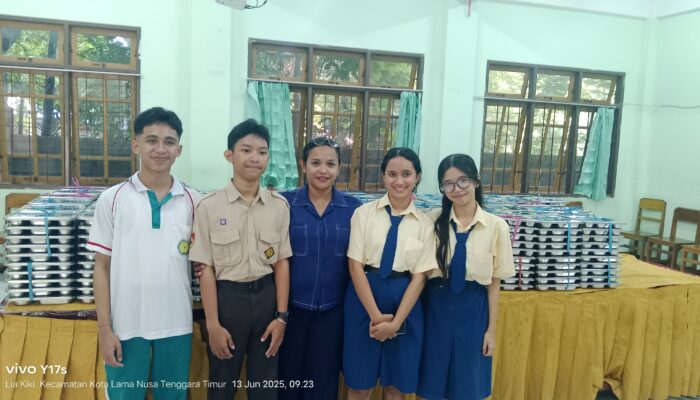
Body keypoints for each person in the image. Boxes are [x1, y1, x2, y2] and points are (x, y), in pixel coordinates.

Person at [88, 107, 201, 400]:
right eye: (152, 140)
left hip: (176, 325)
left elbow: (204, 265)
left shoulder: (194, 201)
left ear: (179, 150)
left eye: (169, 142)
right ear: (135, 145)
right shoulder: (112, 199)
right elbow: (101, 268)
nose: (161, 149)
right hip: (125, 326)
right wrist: (104, 328)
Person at [188, 119, 292, 400]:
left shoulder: (279, 206)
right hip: (228, 302)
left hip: (267, 299)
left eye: (262, 152)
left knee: (264, 386)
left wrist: (281, 317)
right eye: (246, 150)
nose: (254, 158)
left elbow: (282, 262)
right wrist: (212, 324)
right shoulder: (209, 207)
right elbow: (205, 269)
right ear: (229, 155)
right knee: (222, 384)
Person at [417, 154, 515, 400]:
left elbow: (494, 283)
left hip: (474, 311)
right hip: (436, 308)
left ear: (476, 181)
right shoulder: (432, 221)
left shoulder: (496, 227)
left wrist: (491, 330)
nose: (457, 189)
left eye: (463, 180)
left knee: (467, 385)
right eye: (448, 183)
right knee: (432, 383)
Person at [343, 147, 437, 400]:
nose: (399, 181)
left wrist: (395, 324)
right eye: (392, 174)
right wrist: (375, 317)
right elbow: (355, 266)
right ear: (383, 176)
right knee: (359, 384)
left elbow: (419, 278)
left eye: (406, 174)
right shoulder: (363, 214)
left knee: (395, 386)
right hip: (364, 299)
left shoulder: (425, 225)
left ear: (417, 177)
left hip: (404, 302)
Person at [278, 137, 361, 400]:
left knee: (323, 382)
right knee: (288, 380)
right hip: (291, 310)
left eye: (330, 164)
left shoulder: (354, 209)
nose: (323, 170)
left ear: (339, 168)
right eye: (315, 163)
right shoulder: (284, 204)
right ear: (303, 165)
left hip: (333, 311)